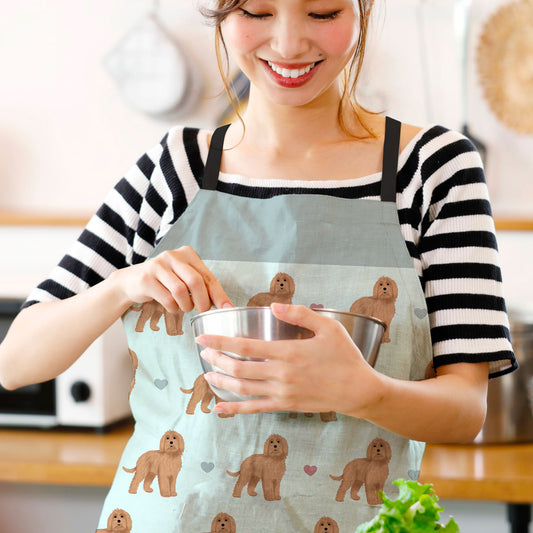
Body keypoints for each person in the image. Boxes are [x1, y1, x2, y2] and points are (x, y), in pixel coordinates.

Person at [0, 0, 517, 531]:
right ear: (221, 14)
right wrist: (121, 285)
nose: (289, 44)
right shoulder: (174, 169)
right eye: (256, 11)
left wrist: (364, 392)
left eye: (322, 12)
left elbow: (465, 409)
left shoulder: (433, 169)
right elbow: (15, 361)